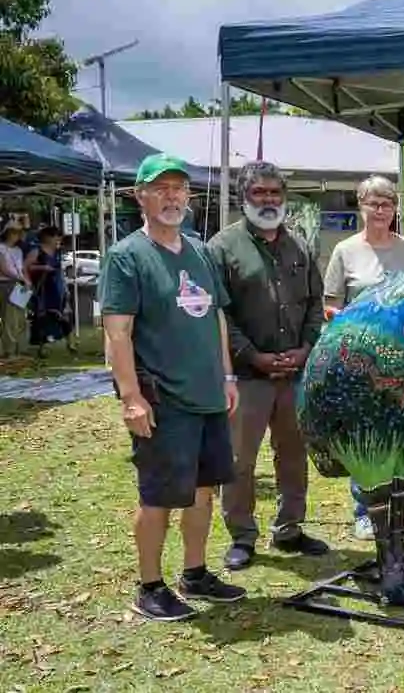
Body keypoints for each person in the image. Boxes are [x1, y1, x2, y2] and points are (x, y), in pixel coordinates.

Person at [98, 153, 245, 622]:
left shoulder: (200, 251)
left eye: (179, 188)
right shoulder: (127, 257)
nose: (172, 196)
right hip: (163, 400)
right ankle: (149, 586)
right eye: (160, 188)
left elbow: (217, 317)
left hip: (208, 396)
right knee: (159, 495)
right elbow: (117, 332)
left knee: (203, 491)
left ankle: (195, 572)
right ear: (140, 196)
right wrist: (130, 397)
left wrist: (226, 376)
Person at [207, 161, 329, 571]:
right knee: (240, 460)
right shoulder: (222, 248)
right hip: (246, 376)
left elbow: (315, 304)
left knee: (293, 455)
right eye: (259, 192)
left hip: (295, 374)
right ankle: (242, 536)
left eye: (275, 192)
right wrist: (251, 355)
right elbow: (218, 313)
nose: (268, 199)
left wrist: (308, 348)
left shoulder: (300, 246)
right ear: (244, 197)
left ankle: (290, 529)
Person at [324, 175, 404, 539]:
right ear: (360, 205)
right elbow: (331, 306)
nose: (380, 210)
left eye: (387, 204)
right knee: (368, 439)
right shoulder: (344, 251)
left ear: (395, 209)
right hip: (362, 363)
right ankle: (366, 511)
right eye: (373, 203)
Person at [23, 225, 74, 357]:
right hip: (44, 288)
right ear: (48, 237)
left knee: (63, 316)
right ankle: (43, 346)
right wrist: (43, 268)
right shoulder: (37, 251)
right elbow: (26, 267)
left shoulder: (57, 252)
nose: (58, 240)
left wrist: (65, 288)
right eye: (56, 237)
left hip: (57, 288)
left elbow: (60, 272)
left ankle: (70, 342)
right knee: (43, 317)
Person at [0, 219, 28, 357]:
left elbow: (21, 269)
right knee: (9, 318)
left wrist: (26, 280)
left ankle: (20, 348)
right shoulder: (1, 248)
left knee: (20, 318)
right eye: (15, 232)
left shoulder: (18, 251)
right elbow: (4, 269)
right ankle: (8, 350)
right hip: (6, 284)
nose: (18, 236)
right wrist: (19, 278)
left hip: (18, 285)